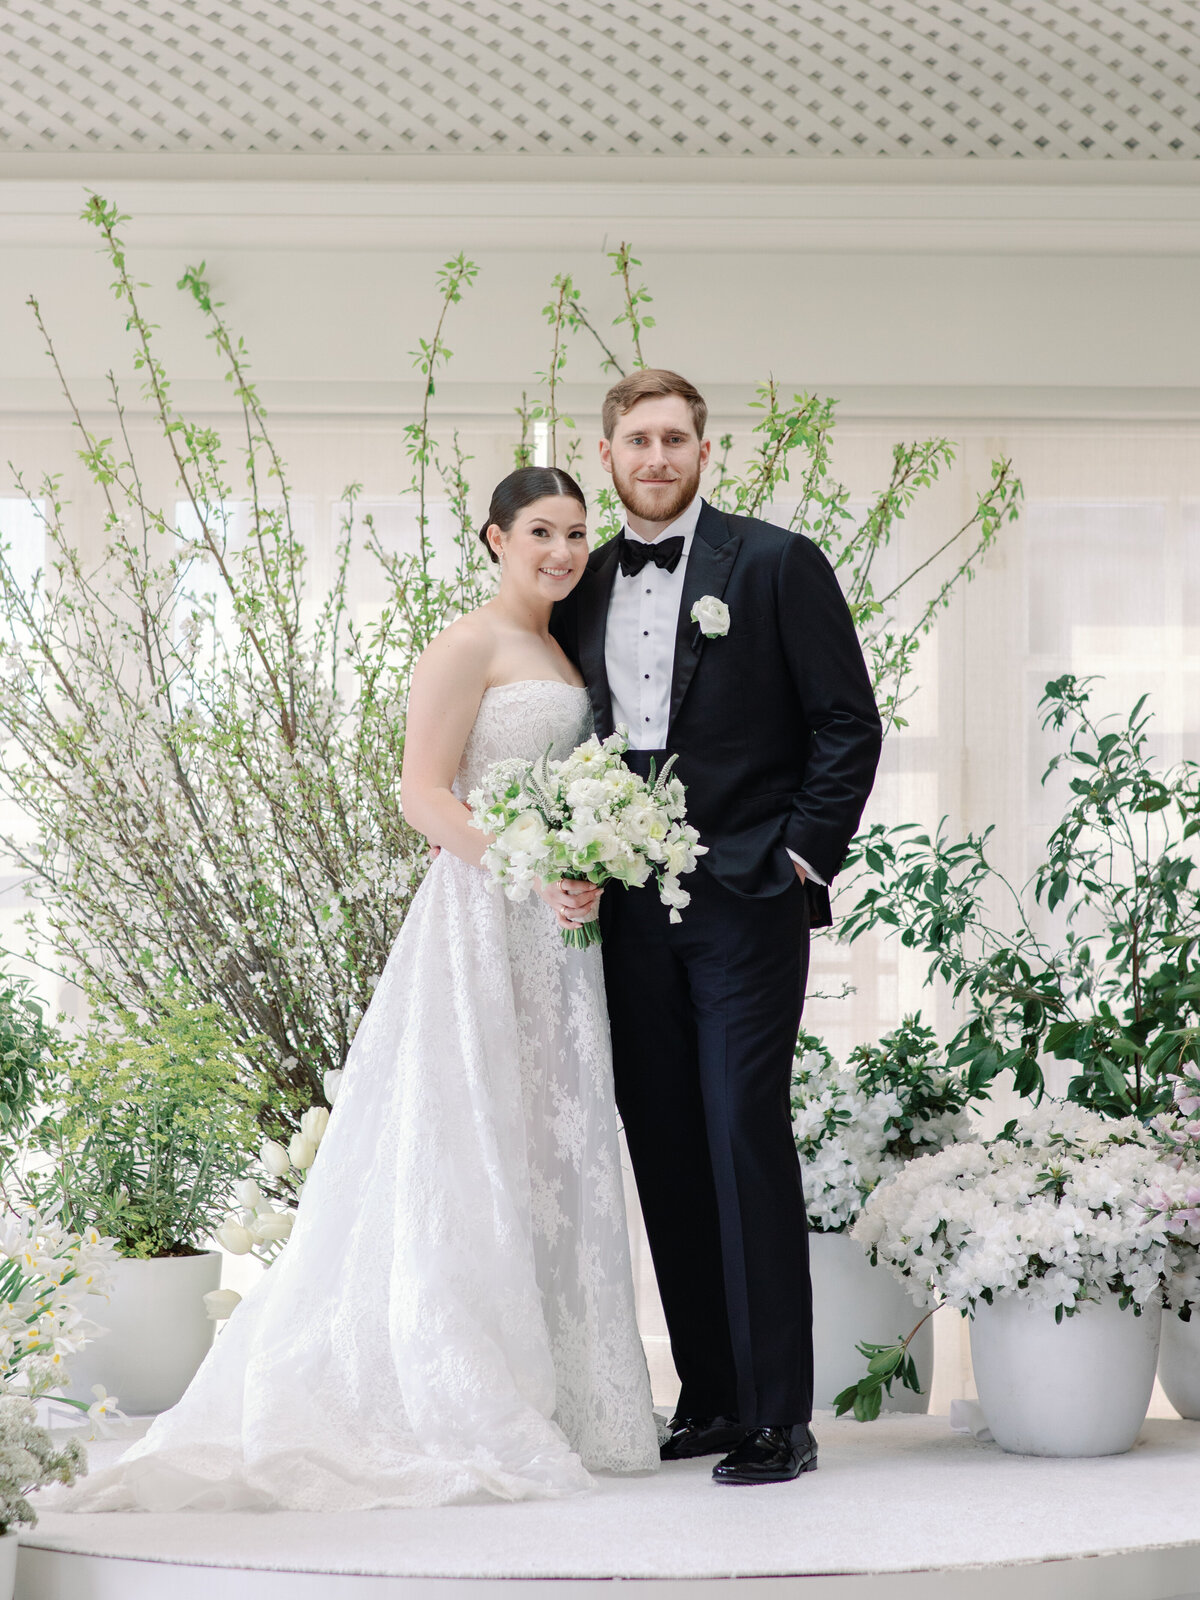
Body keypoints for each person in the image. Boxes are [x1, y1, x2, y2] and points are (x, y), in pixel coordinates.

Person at [52, 467, 659, 1514]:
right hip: (478, 914)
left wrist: (585, 860)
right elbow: (422, 793)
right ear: (495, 538)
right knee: (465, 1138)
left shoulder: (567, 645)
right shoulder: (468, 642)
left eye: (573, 533)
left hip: (554, 933)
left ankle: (566, 1389)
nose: (562, 551)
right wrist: (522, 863)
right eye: (541, 532)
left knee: (544, 1143)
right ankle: (453, 1378)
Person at [551, 371, 882, 1486]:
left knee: (743, 1132)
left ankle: (781, 1416)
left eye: (675, 437)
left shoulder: (779, 563)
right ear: (607, 456)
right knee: (666, 1143)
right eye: (637, 438)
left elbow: (848, 720)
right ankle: (710, 1394)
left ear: (705, 450)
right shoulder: (582, 582)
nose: (656, 454)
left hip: (745, 898)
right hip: (626, 904)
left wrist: (796, 856)